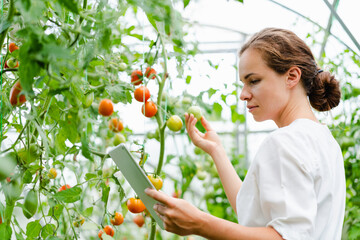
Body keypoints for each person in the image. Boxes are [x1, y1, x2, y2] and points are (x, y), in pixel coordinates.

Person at [145, 28, 346, 240]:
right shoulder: (325, 141)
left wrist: (201, 223)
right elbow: (250, 211)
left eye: (254, 81)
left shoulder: (284, 142)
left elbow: (287, 237)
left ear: (292, 77)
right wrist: (217, 151)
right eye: (243, 83)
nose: (243, 94)